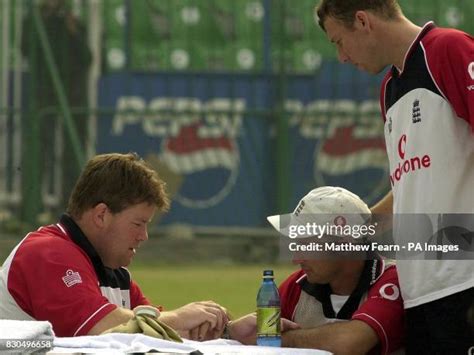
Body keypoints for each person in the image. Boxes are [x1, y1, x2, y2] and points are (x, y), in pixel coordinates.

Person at [315, 0, 474, 353]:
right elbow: (408, 189)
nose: (341, 56)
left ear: (362, 21)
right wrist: (354, 230)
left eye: (338, 41)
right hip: (419, 291)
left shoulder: (447, 49)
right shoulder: (389, 88)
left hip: (465, 285)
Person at [0, 153, 228, 339]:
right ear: (101, 215)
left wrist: (229, 331)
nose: (144, 236)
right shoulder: (47, 252)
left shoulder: (114, 273)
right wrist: (179, 317)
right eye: (138, 224)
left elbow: (156, 332)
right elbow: (102, 326)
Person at [228, 187, 405, 354]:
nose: (296, 258)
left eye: (307, 245)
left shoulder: (395, 280)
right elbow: (256, 338)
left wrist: (280, 338)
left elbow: (348, 343)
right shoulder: (295, 286)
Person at [22, 0, 92, 209]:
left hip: (73, 94)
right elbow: (27, 50)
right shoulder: (34, 21)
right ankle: (31, 206)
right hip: (44, 92)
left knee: (72, 153)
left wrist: (73, 32)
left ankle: (69, 206)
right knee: (37, 151)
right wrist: (43, 22)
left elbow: (88, 58)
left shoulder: (75, 22)